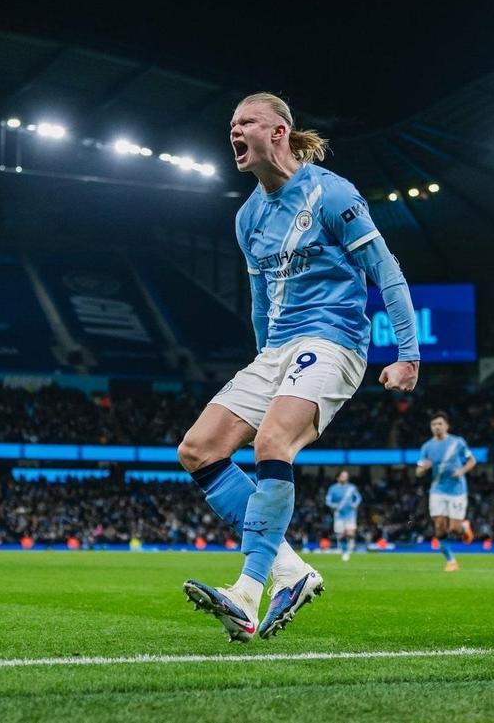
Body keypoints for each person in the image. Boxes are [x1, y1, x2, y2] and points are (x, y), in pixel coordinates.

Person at [179, 92, 420, 642]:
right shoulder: (247, 217)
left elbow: (386, 271)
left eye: (246, 122)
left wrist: (407, 353)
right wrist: (264, 360)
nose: (234, 131)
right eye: (231, 124)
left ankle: (247, 592)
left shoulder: (331, 193)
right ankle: (291, 572)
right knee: (198, 449)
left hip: (334, 340)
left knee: (272, 442)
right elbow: (260, 300)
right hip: (277, 350)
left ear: (279, 132)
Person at [416, 411, 476, 571]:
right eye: (433, 424)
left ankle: (464, 528)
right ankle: (451, 561)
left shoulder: (457, 442)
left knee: (454, 529)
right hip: (437, 490)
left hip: (457, 490)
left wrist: (461, 471)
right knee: (439, 527)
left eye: (440, 424)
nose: (437, 427)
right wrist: (424, 468)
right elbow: (418, 471)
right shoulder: (427, 447)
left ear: (447, 426)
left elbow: (472, 461)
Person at [325, 470, 362, 561]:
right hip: (339, 514)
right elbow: (328, 501)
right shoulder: (333, 488)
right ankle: (344, 551)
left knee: (350, 533)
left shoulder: (351, 488)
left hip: (350, 514)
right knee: (340, 535)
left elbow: (358, 497)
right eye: (343, 476)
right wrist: (334, 506)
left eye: (346, 476)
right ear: (338, 477)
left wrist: (355, 504)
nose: (345, 477)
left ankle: (350, 548)